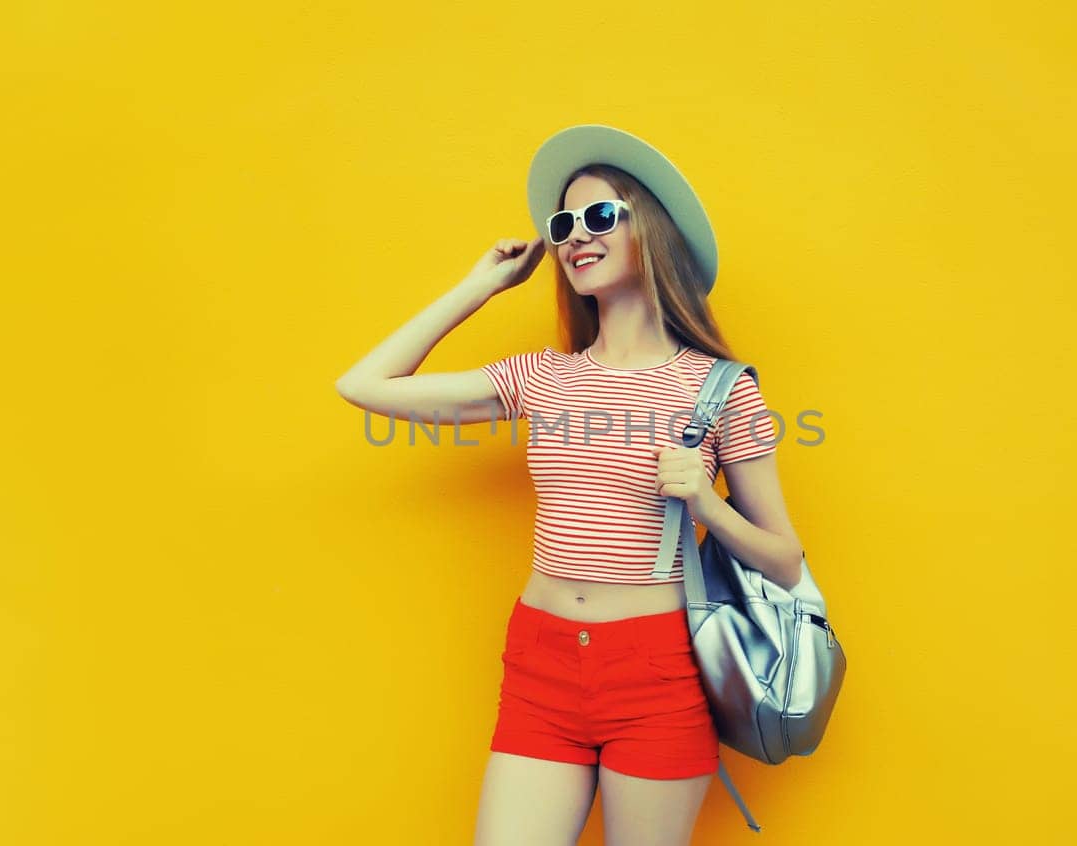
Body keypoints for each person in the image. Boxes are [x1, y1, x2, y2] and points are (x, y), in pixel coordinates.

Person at [335, 125, 805, 845]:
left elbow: (785, 560)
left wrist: (707, 504)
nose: (575, 236)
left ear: (649, 230)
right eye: (563, 224)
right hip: (541, 662)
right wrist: (481, 285)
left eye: (599, 215)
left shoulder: (721, 388)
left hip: (657, 671)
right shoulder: (541, 377)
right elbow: (364, 384)